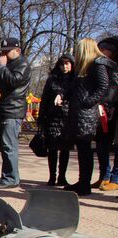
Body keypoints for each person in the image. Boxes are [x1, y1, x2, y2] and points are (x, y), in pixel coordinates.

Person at [63, 38, 111, 196]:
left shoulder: (97, 64)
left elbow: (103, 86)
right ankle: (82, 181)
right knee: (82, 149)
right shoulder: (84, 68)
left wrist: (87, 102)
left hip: (87, 114)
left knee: (85, 149)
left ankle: (84, 184)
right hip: (80, 113)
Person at [0, 37, 32, 189]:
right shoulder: (8, 65)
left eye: (7, 52)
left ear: (17, 50)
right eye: (2, 52)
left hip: (13, 110)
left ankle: (11, 178)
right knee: (3, 145)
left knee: (9, 145)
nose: (3, 55)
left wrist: (2, 68)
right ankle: (8, 176)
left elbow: (14, 81)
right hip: (3, 109)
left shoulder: (22, 64)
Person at [37, 54, 75, 186]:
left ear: (72, 64)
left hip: (67, 119)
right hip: (52, 118)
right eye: (62, 64)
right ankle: (52, 176)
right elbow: (45, 99)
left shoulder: (75, 80)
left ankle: (62, 177)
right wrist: (41, 118)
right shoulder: (52, 79)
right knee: (52, 149)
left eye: (68, 63)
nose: (65, 67)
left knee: (65, 150)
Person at [94, 37, 118, 191]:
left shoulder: (114, 68)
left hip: (113, 108)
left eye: (105, 49)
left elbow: (112, 88)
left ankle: (115, 178)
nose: (102, 51)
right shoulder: (99, 65)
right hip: (102, 108)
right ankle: (104, 175)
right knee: (101, 144)